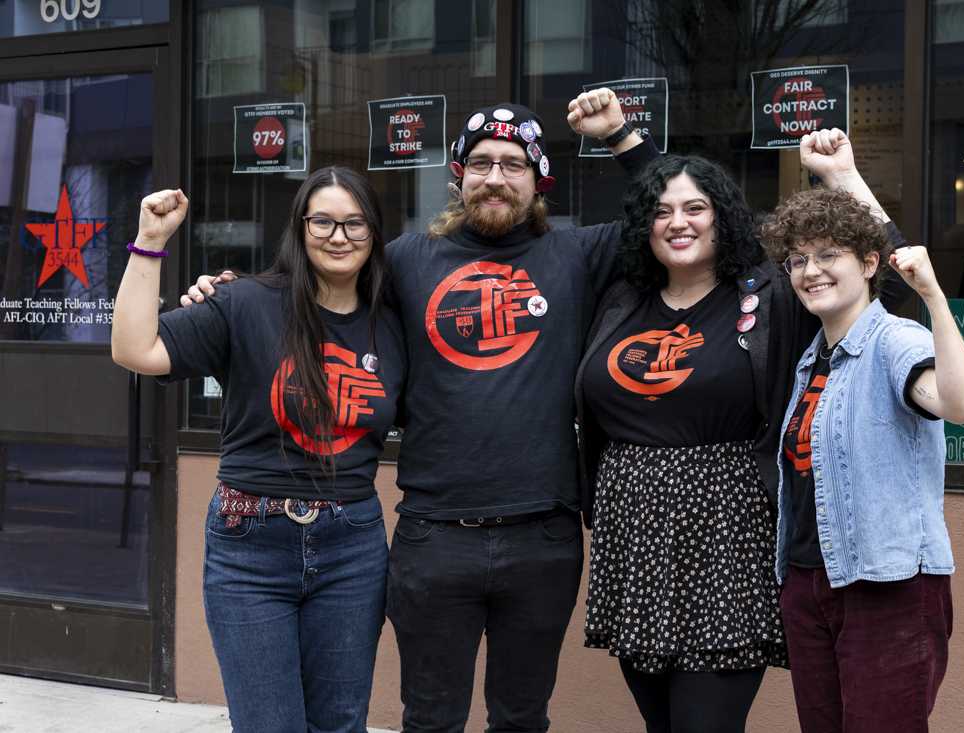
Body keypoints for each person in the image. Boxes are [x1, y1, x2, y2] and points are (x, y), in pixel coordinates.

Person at [184, 93, 662, 733]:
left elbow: (672, 211)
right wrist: (222, 296)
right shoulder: (405, 260)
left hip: (543, 533)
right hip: (434, 534)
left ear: (538, 177)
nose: (496, 176)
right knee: (430, 719)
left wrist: (619, 136)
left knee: (523, 718)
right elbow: (321, 275)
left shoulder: (577, 256)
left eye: (514, 163)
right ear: (458, 176)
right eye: (482, 162)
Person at [571, 127, 914, 733]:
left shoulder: (772, 295)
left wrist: (844, 178)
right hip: (633, 541)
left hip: (728, 539)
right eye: (661, 212)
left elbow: (888, 279)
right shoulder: (621, 296)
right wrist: (625, 144)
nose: (678, 223)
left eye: (696, 208)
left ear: (723, 218)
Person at [111, 168, 403, 733]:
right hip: (249, 546)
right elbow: (133, 348)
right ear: (300, 228)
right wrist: (150, 242)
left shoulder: (393, 325)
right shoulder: (244, 303)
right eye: (322, 221)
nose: (338, 236)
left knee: (340, 723)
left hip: (353, 547)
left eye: (354, 223)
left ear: (373, 233)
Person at [759, 187, 964, 733]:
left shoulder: (894, 340)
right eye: (799, 259)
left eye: (828, 254)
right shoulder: (813, 358)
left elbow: (961, 405)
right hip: (811, 584)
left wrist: (933, 298)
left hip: (889, 586)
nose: (811, 270)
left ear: (869, 262)